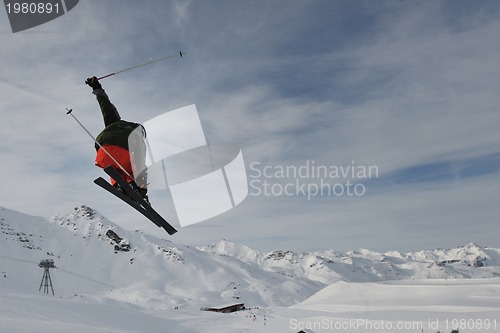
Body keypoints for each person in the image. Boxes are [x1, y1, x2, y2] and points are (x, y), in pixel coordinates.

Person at [85, 76, 149, 202]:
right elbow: (139, 162)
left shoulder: (115, 123)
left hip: (102, 153)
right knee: (131, 166)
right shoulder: (136, 136)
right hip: (122, 153)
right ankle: (134, 188)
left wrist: (96, 87)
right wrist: (142, 188)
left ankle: (119, 186)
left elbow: (105, 105)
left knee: (116, 168)